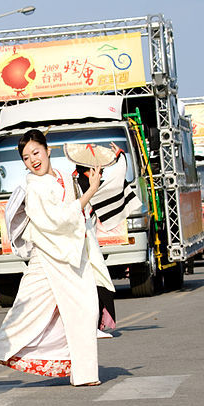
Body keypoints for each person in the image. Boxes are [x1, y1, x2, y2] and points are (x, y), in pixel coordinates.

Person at [0, 129, 101, 391]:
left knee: (86, 310)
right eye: (25, 157)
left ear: (48, 150)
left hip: (71, 257)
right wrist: (89, 193)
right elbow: (56, 219)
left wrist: (91, 188)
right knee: (22, 317)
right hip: (45, 259)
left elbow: (78, 214)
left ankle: (84, 372)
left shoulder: (65, 177)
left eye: (35, 152)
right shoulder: (32, 187)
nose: (32, 160)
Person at [72, 143, 141, 337]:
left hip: (80, 240)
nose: (101, 170)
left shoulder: (75, 181)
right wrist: (120, 156)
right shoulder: (91, 187)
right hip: (84, 241)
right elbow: (118, 178)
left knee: (91, 282)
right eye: (98, 166)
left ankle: (91, 325)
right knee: (97, 281)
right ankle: (92, 325)